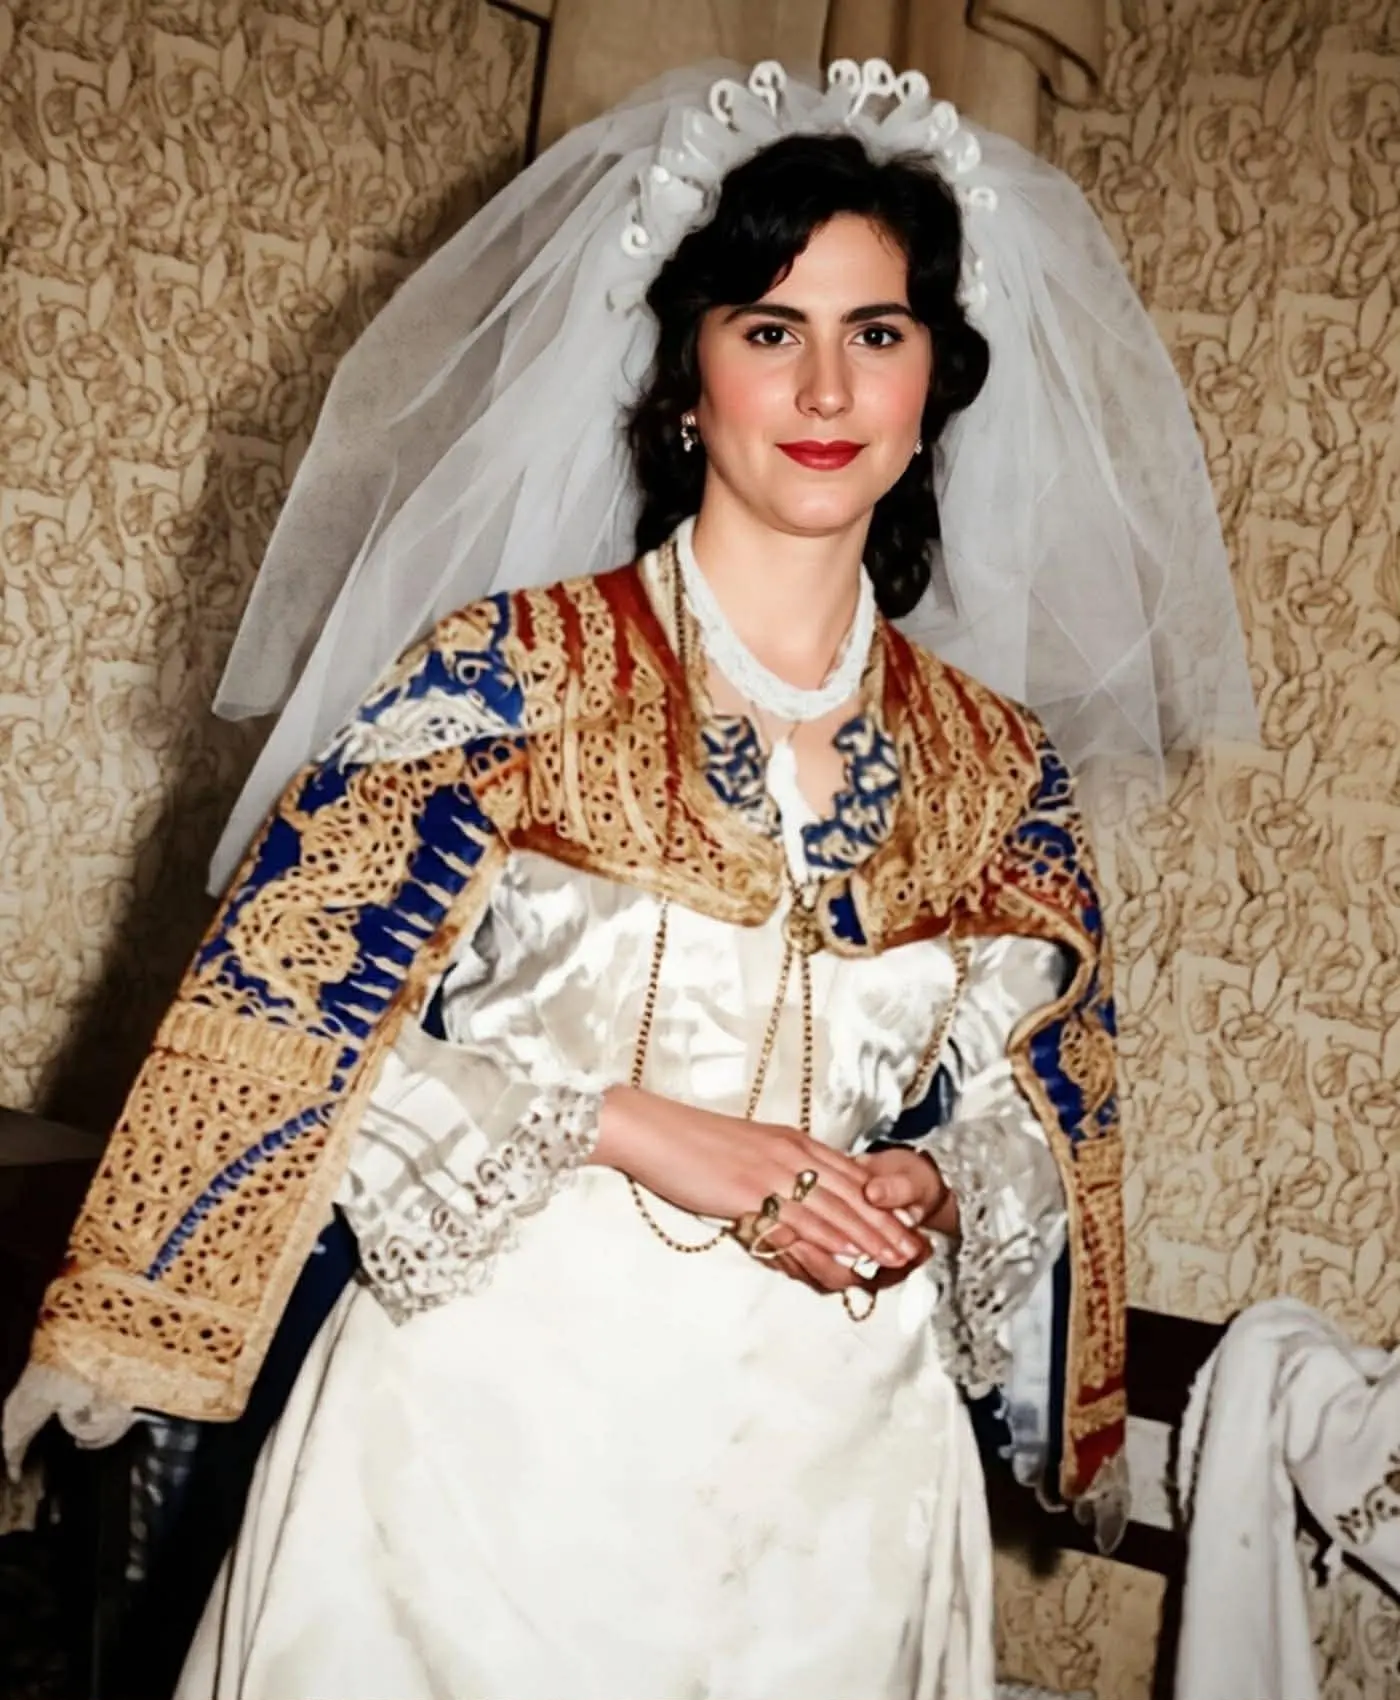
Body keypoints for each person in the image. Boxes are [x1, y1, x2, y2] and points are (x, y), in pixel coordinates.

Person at [4, 60, 1254, 1700]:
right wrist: (637, 1128)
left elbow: (1042, 1114)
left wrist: (932, 1184)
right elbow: (282, 1045)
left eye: (877, 332)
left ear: (935, 379)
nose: (826, 384)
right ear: (685, 379)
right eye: (769, 327)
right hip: (474, 1469)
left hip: (838, 1503)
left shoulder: (995, 767)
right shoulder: (504, 677)